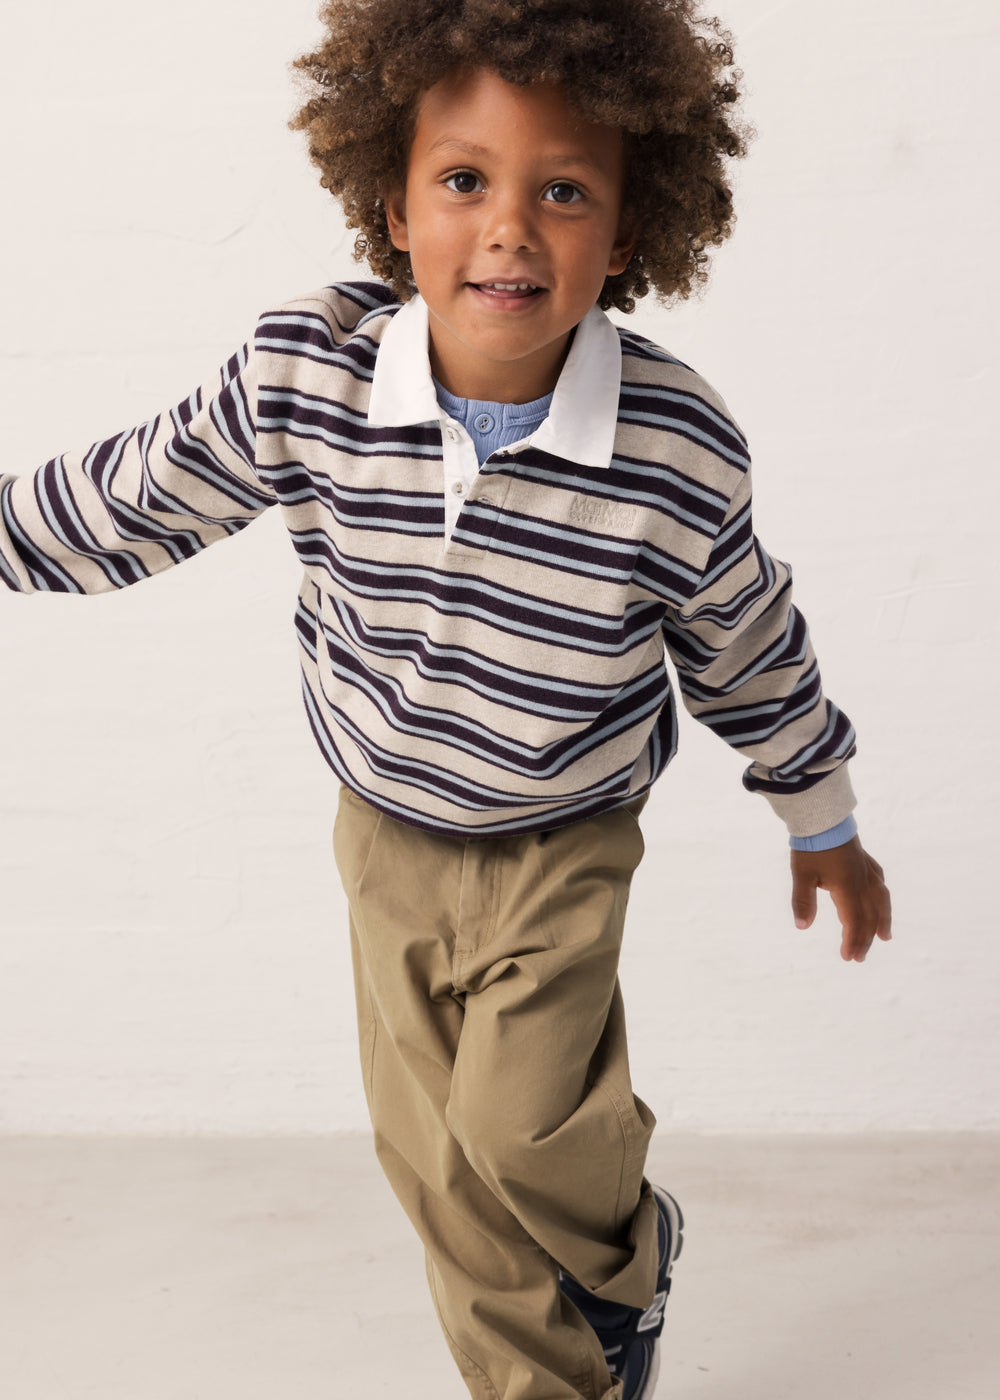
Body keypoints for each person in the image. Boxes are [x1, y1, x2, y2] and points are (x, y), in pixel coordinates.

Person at [0, 1, 892, 1397]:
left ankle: (629, 1246)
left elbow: (748, 643)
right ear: (392, 208)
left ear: (634, 224)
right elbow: (135, 498)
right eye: (465, 180)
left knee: (522, 1128)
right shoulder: (307, 376)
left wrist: (820, 819)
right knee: (437, 1166)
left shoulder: (673, 448)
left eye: (565, 190)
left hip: (562, 835)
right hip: (386, 826)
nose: (512, 228)